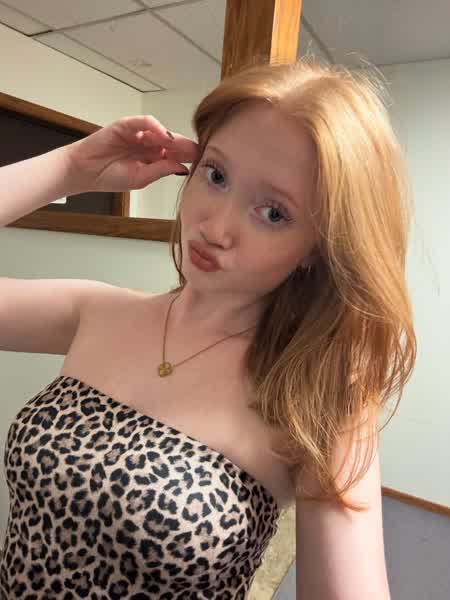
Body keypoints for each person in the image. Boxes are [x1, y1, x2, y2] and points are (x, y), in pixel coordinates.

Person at [0, 57, 415, 599]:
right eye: (216, 175)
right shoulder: (94, 313)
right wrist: (71, 168)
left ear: (319, 247)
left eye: (273, 213)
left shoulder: (312, 396)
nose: (216, 227)